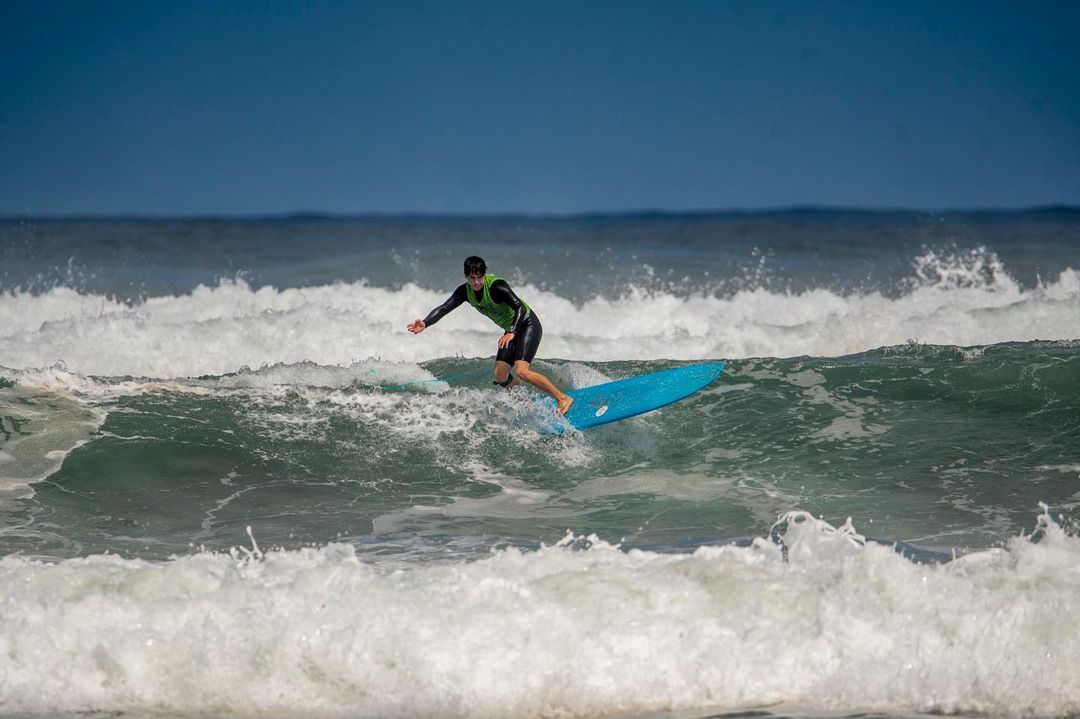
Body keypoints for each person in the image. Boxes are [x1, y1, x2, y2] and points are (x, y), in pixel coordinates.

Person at [408, 256, 574, 416]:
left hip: (527, 324)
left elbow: (520, 308)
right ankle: (529, 405)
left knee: (522, 371)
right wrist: (425, 323)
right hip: (511, 330)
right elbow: (444, 308)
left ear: (484, 275)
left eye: (480, 277)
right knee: (500, 374)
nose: (477, 282)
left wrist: (511, 331)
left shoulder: (497, 286)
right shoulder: (465, 291)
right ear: (466, 276)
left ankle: (563, 398)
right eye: (473, 278)